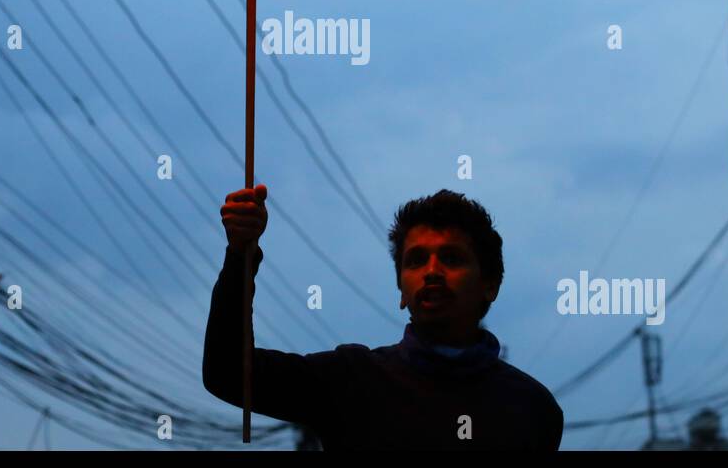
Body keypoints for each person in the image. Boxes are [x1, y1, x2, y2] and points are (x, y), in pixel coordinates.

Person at [205, 184, 564, 450]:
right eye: (416, 260)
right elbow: (228, 373)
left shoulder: (533, 410)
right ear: (401, 291)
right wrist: (240, 254)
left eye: (452, 258)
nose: (432, 271)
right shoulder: (349, 379)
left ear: (490, 285)